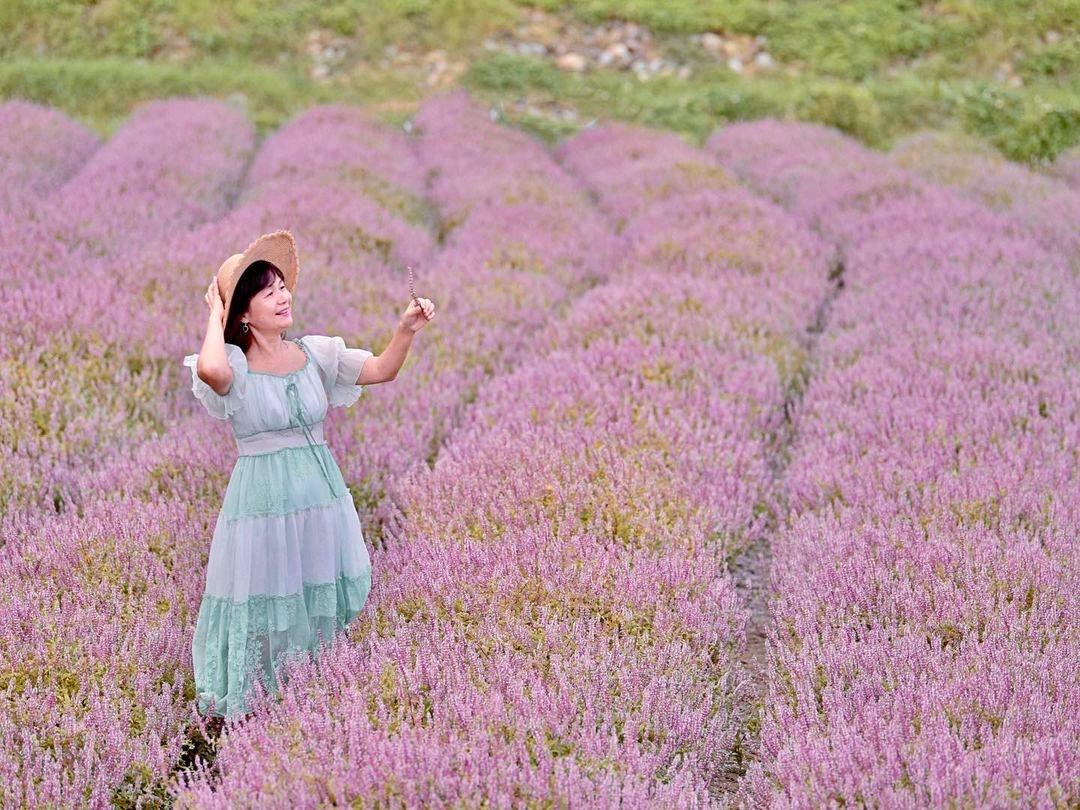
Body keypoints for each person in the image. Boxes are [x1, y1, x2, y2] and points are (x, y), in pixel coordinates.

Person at [182, 230, 435, 722]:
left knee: (317, 591)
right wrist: (214, 313)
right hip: (262, 506)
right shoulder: (233, 366)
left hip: (321, 498)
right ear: (243, 314)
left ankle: (316, 698)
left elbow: (383, 369)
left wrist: (405, 329)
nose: (283, 296)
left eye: (283, 286)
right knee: (270, 597)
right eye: (268, 291)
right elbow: (210, 368)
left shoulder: (316, 354)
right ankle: (263, 709)